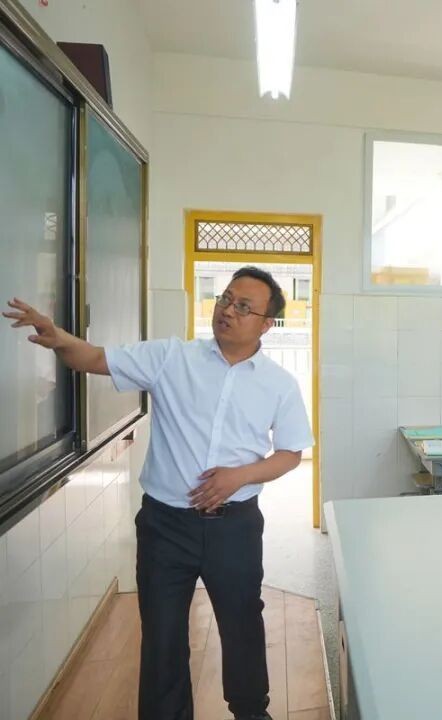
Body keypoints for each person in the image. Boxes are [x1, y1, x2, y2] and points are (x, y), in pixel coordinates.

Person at [4, 266, 313, 720]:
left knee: (242, 624)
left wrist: (240, 476)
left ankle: (251, 712)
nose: (228, 310)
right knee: (163, 635)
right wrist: (58, 338)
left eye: (244, 306)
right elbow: (94, 359)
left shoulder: (279, 384)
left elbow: (289, 453)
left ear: (267, 324)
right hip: (166, 527)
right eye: (226, 298)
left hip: (235, 528)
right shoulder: (172, 357)